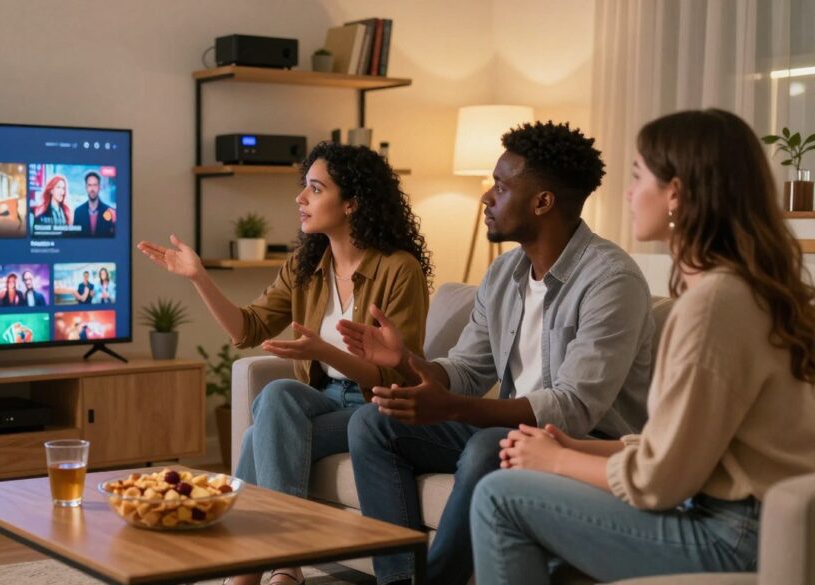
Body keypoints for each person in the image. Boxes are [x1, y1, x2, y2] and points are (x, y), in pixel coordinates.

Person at [470, 109, 815, 585]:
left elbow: (661, 479)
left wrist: (557, 460)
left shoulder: (714, 304)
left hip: (733, 534)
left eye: (637, 177)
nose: (629, 193)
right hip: (753, 523)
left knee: (501, 496)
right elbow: (685, 442)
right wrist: (574, 448)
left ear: (675, 193)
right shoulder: (749, 289)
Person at [337, 121, 654, 585]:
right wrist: (404, 362)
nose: (486, 198)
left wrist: (455, 408)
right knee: (372, 423)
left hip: (586, 440)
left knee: (491, 443)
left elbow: (576, 407)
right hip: (511, 425)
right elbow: (467, 368)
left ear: (542, 201)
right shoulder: (505, 273)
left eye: (501, 187)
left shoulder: (611, 280)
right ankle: (399, 580)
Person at [138, 142, 432, 585]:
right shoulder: (306, 264)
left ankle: (255, 568)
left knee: (262, 431)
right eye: (304, 188)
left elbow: (396, 375)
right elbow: (247, 329)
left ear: (351, 203)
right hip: (325, 401)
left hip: (375, 407)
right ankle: (282, 564)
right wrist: (199, 278)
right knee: (277, 395)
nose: (300, 199)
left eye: (315, 189)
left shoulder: (398, 269)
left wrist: (324, 352)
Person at [73, 171, 116, 237]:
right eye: (89, 185)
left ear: (99, 187)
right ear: (86, 188)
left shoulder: (109, 211)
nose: (92, 189)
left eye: (95, 185)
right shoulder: (78, 212)